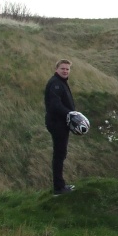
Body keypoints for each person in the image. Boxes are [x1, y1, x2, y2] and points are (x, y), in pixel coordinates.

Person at [44, 59, 76, 195]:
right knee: (59, 155)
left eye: (67, 69)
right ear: (56, 69)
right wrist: (70, 113)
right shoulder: (56, 84)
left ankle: (60, 185)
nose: (65, 71)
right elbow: (55, 105)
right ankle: (58, 188)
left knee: (60, 154)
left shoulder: (61, 82)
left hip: (61, 123)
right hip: (57, 123)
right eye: (63, 68)